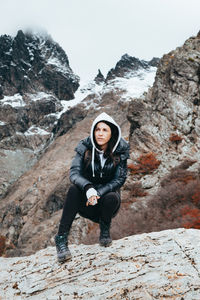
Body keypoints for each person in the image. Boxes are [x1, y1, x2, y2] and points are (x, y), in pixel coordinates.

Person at [54, 112, 129, 262]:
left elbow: (119, 179)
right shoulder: (85, 146)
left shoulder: (121, 150)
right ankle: (61, 238)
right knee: (73, 190)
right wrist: (88, 188)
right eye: (97, 129)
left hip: (106, 205)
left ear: (112, 132)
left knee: (112, 197)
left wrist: (98, 192)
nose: (100, 134)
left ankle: (105, 230)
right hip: (86, 201)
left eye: (104, 130)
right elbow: (74, 173)